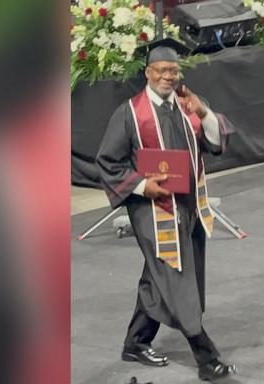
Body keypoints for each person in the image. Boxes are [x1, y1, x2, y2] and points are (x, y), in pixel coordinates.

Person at [96, 38, 236, 381]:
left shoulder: (188, 106)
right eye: (161, 70)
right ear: (147, 72)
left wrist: (202, 111)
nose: (168, 76)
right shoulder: (129, 113)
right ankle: (207, 358)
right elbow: (108, 163)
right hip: (154, 210)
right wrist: (143, 185)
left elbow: (216, 142)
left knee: (160, 276)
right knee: (177, 278)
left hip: (190, 205)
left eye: (173, 70)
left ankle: (136, 342)